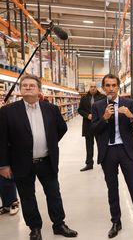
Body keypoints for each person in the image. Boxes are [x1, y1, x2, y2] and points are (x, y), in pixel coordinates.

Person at [0, 74, 77, 240]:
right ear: (20, 89)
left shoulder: (51, 109)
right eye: (25, 85)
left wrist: (49, 142)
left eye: (31, 85)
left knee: (53, 193)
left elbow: (61, 128)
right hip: (21, 163)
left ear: (39, 90)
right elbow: (2, 139)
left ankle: (59, 224)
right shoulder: (7, 111)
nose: (28, 87)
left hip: (46, 160)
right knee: (27, 196)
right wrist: (4, 165)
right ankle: (34, 228)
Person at [91, 74, 133, 239]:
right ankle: (116, 221)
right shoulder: (98, 106)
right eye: (107, 85)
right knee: (112, 188)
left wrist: (131, 115)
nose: (111, 88)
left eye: (114, 85)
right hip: (108, 152)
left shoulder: (128, 103)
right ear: (103, 88)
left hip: (126, 150)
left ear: (118, 87)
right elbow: (93, 129)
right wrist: (104, 118)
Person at [0, 89, 20, 216]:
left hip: (4, 148)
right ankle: (6, 204)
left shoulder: (5, 111)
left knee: (6, 176)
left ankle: (13, 202)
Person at [78, 82, 105, 171]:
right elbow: (80, 110)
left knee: (101, 144)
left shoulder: (102, 97)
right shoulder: (84, 98)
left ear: (97, 88)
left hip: (99, 124)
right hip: (88, 125)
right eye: (91, 87)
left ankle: (103, 162)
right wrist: (87, 115)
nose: (93, 88)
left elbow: (105, 109)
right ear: (88, 88)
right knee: (89, 145)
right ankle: (89, 164)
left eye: (94, 87)